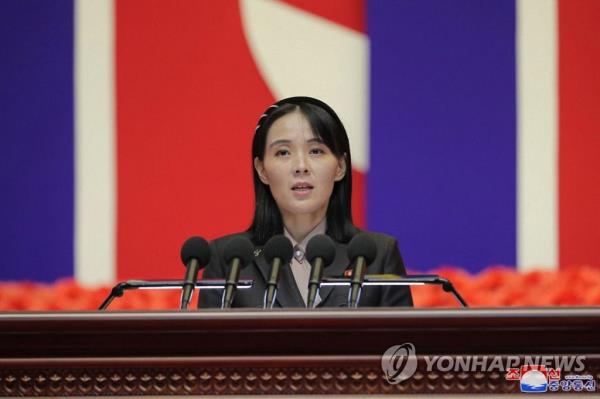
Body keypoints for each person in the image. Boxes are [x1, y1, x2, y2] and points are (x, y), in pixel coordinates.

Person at [198, 96, 413, 308]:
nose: (301, 166)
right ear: (262, 170)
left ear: (340, 166)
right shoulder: (228, 260)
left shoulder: (379, 255)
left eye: (316, 151)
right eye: (283, 152)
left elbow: (402, 343)